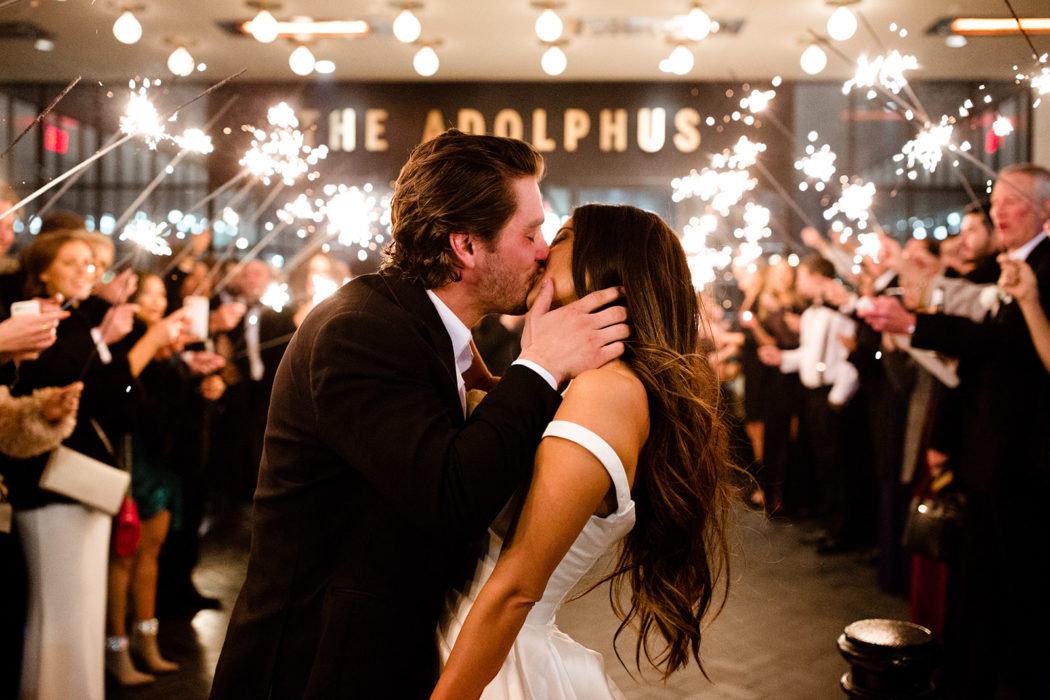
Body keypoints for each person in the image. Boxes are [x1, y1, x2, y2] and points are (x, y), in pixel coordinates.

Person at [209, 129, 629, 699]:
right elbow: (450, 497)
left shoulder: (422, 331)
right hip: (317, 667)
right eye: (530, 233)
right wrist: (540, 366)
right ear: (466, 246)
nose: (541, 250)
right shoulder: (360, 330)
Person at [430, 204, 732, 699]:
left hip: (492, 657)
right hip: (479, 640)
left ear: (607, 261)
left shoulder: (606, 392)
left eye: (562, 235)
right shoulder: (587, 381)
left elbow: (516, 590)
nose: (542, 249)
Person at [862, 163, 1050, 697]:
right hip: (988, 447)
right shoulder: (1010, 267)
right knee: (984, 578)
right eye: (997, 199)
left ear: (1044, 209)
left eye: (1012, 201)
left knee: (1015, 581)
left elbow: (1003, 346)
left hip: (1019, 451)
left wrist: (915, 323)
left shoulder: (1039, 269)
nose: (998, 210)